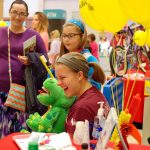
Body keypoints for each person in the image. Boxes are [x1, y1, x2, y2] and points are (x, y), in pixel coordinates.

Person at [0, 0, 48, 138]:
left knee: (19, 131)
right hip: (1, 90)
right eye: (15, 12)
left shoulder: (34, 36)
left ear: (26, 16)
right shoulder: (1, 32)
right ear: (9, 13)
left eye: (22, 13)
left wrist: (31, 60)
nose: (17, 16)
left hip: (21, 92)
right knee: (2, 130)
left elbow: (45, 60)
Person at [55, 52, 110, 137]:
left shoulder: (82, 108)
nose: (58, 83)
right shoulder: (95, 93)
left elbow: (74, 145)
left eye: (62, 78)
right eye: (57, 78)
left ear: (80, 75)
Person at [59, 18, 104, 90]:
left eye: (71, 35)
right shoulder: (60, 58)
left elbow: (94, 90)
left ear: (82, 37)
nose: (66, 39)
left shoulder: (89, 59)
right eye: (64, 35)